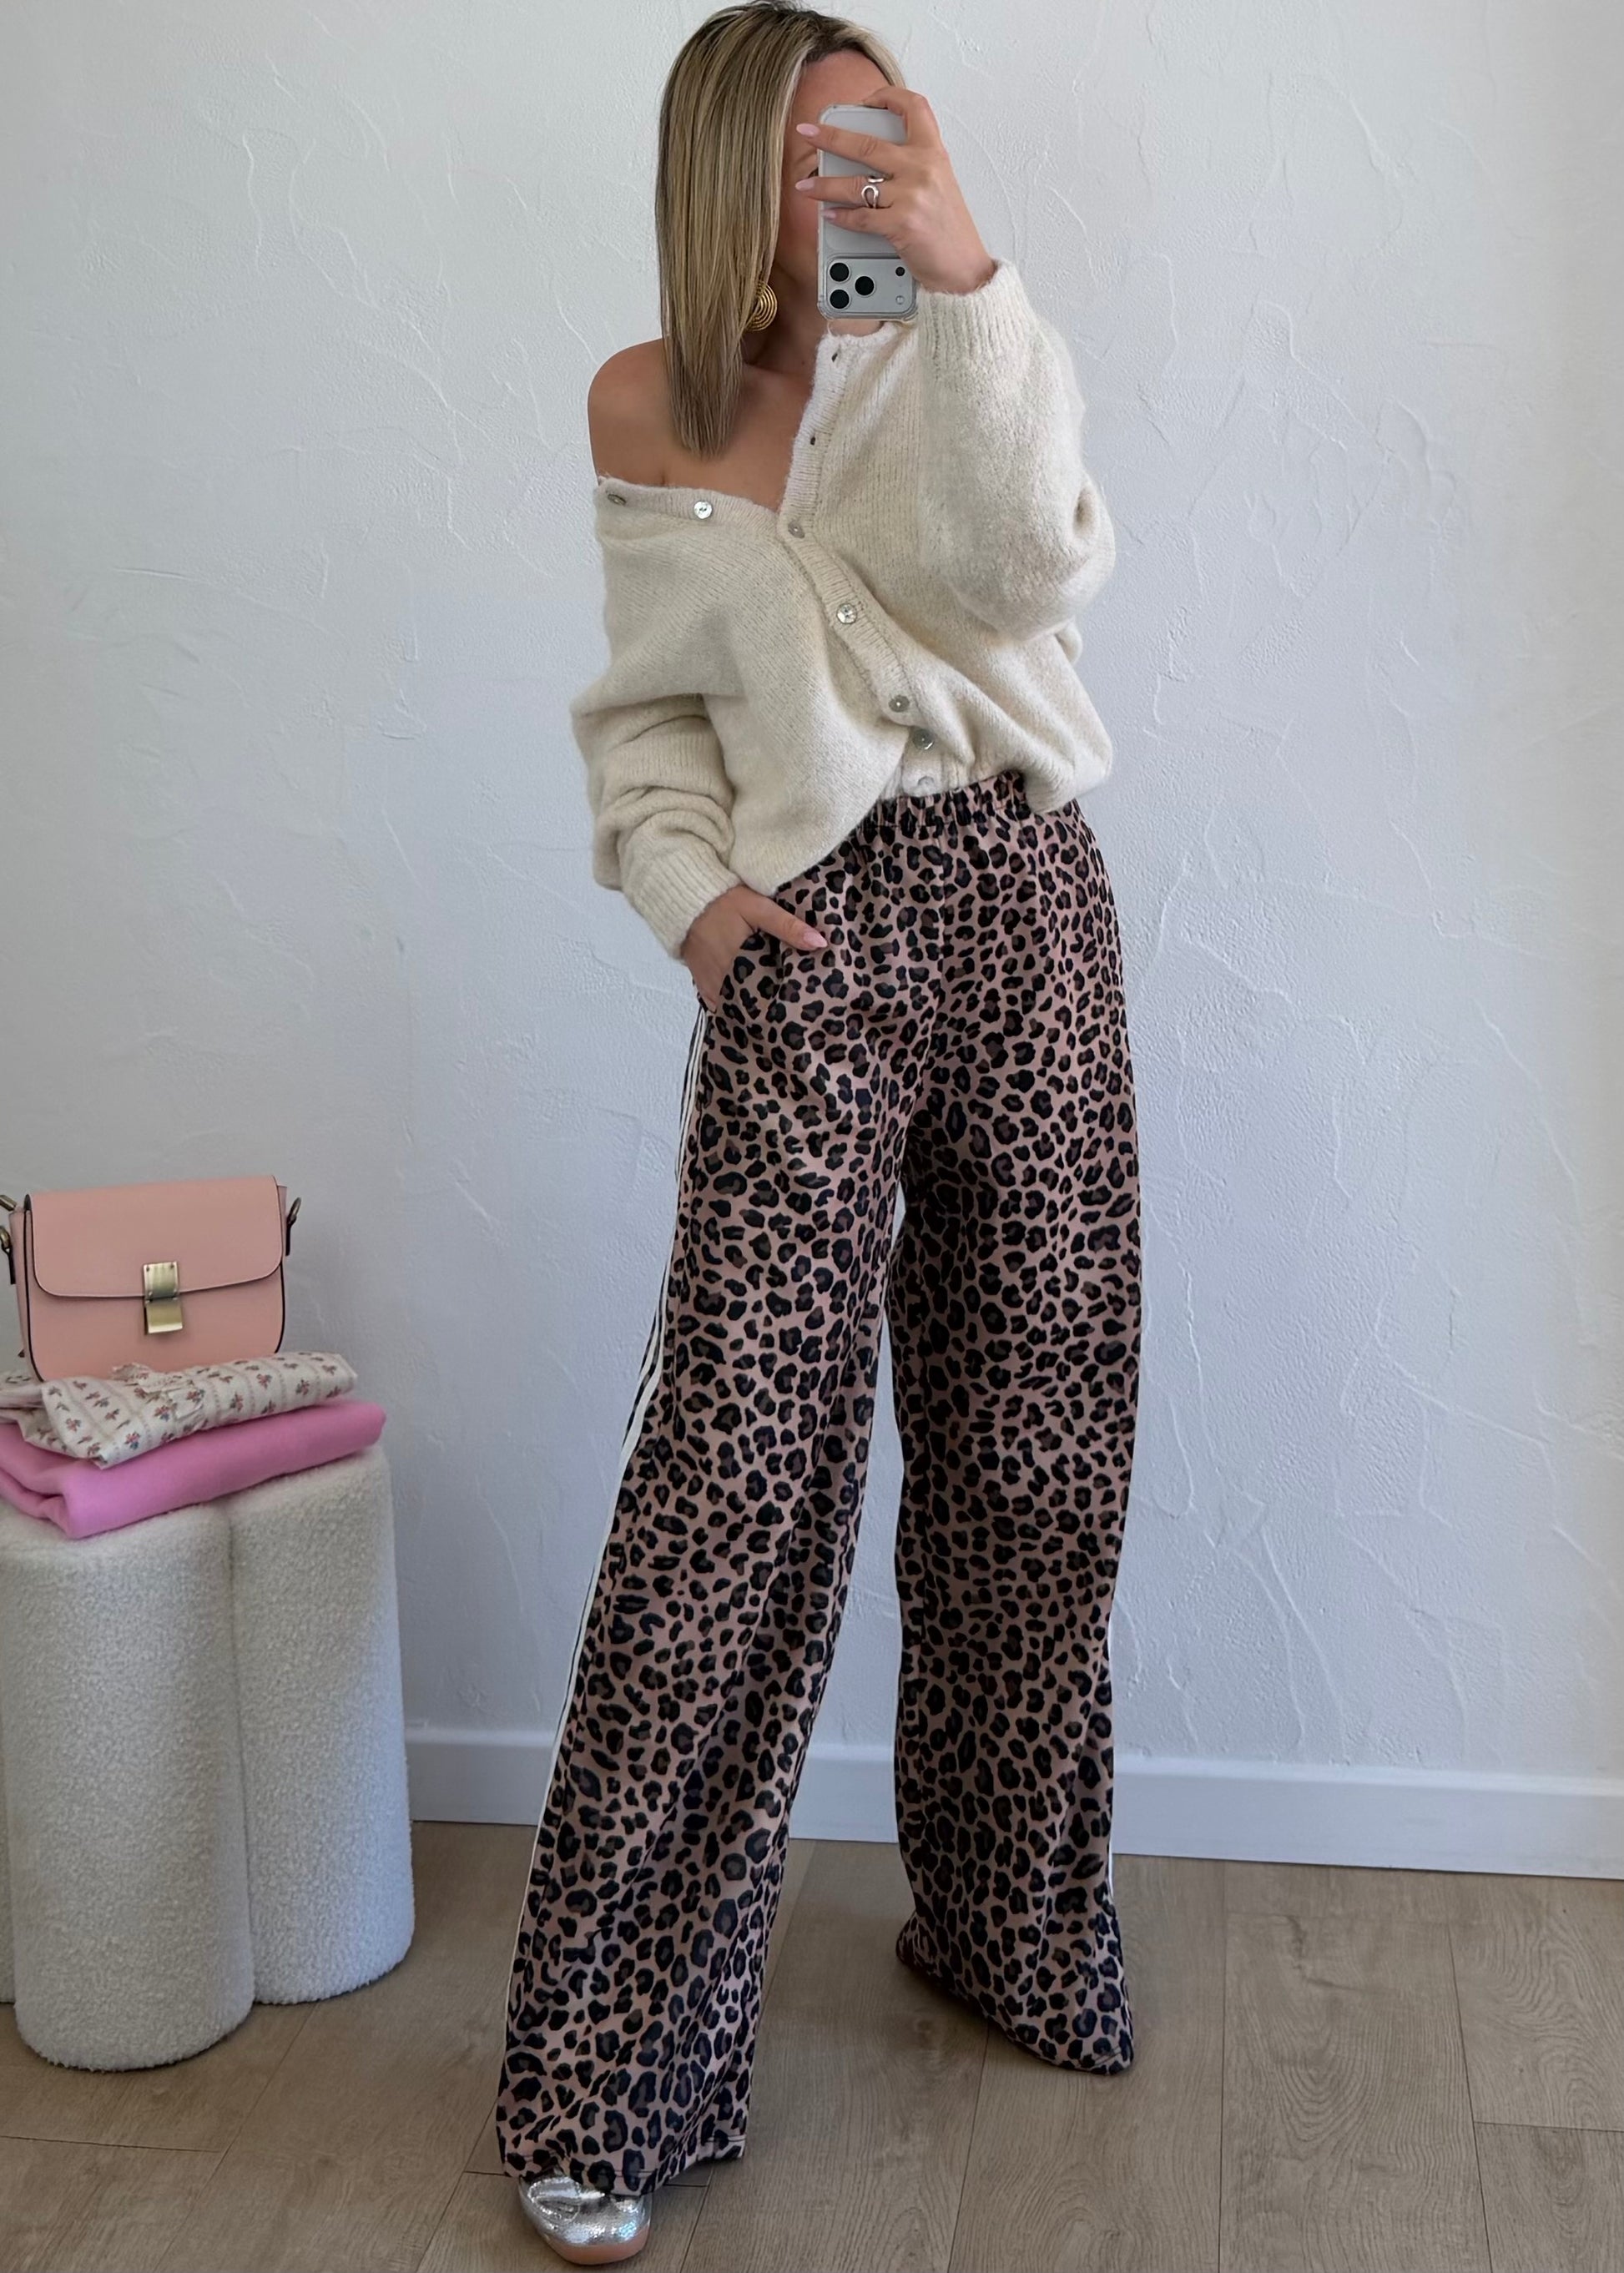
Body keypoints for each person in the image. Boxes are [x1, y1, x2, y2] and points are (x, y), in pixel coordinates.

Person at [496, 5, 1141, 2261]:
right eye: (820, 145)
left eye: (887, 131)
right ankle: (611, 2072)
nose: (860, 173)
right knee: (735, 1486)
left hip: (1025, 903)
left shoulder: (957, 351)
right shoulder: (646, 405)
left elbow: (1028, 571)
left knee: (1034, 1457)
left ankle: (1010, 1929)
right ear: (731, 177)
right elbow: (651, 718)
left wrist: (970, 286)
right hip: (806, 942)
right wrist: (690, 902)